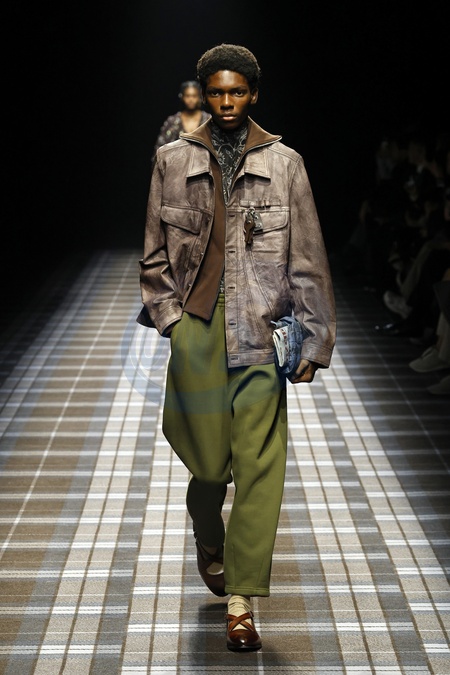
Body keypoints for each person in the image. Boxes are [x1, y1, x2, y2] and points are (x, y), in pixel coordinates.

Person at [137, 43, 336, 652]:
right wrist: (172, 321)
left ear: (254, 94)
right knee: (209, 467)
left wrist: (314, 337)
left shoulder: (286, 164)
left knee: (259, 468)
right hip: (197, 328)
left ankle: (242, 602)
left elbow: (307, 257)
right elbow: (153, 255)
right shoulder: (172, 160)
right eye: (217, 92)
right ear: (205, 94)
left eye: (238, 91)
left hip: (260, 329)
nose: (227, 102)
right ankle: (207, 529)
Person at [151, 80, 210, 163]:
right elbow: (160, 149)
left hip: (205, 166)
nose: (191, 99)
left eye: (194, 96)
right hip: (176, 167)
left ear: (200, 97)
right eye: (187, 96)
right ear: (182, 97)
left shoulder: (208, 119)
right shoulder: (173, 121)